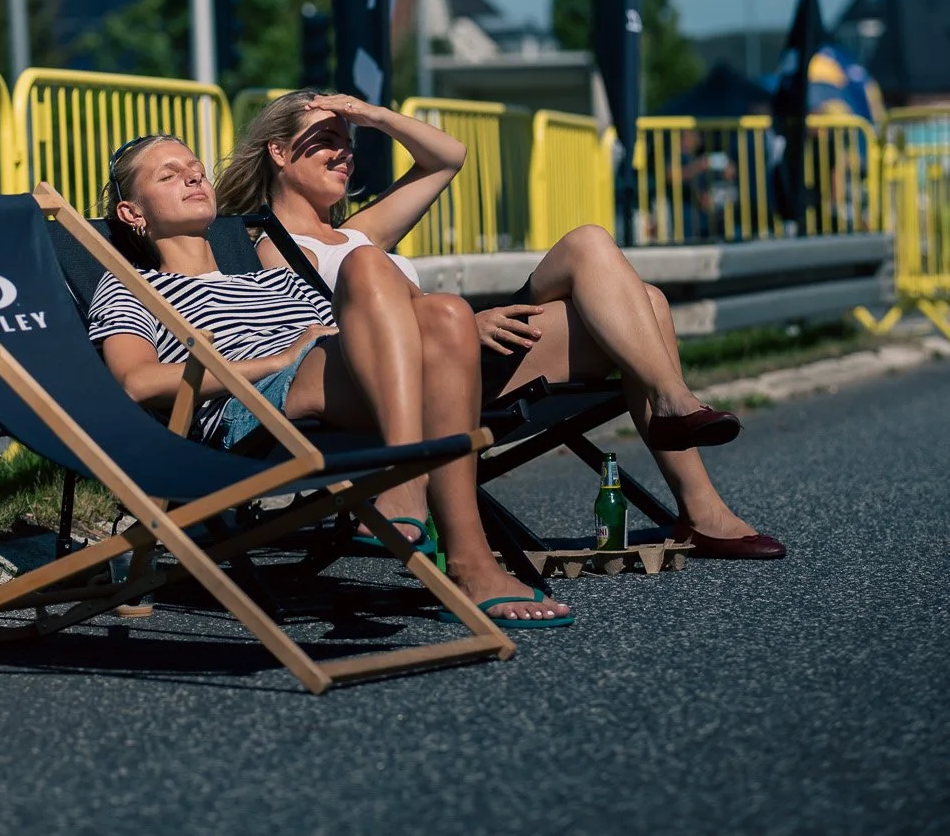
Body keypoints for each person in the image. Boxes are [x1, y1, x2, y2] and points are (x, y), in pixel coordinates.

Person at [215, 91, 784, 562]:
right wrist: (460, 321)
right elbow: (335, 335)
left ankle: (678, 422)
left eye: (347, 143)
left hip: (469, 340)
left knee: (618, 274)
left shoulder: (362, 231)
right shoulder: (270, 248)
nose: (343, 154)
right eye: (325, 142)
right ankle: (697, 494)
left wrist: (374, 116)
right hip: (426, 371)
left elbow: (446, 157)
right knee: (648, 305)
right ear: (280, 154)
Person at [88, 131, 574, 626]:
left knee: (447, 313)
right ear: (132, 213)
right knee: (366, 260)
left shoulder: (274, 277)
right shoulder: (135, 286)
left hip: (349, 382)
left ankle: (449, 538)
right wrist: (276, 362)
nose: (193, 175)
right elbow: (137, 382)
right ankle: (429, 508)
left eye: (194, 168)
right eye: (168, 175)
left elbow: (373, 332)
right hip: (256, 410)